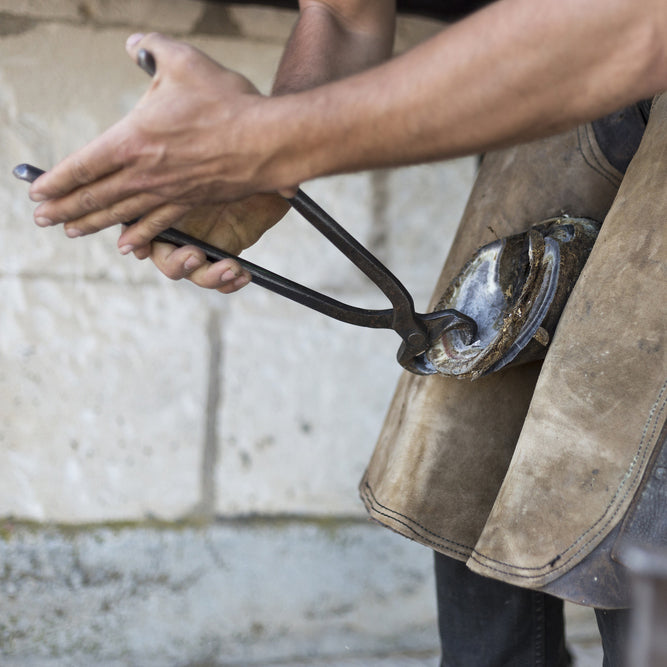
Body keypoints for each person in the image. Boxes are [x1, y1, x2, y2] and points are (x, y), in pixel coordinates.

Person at [24, 1, 667, 664]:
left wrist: (265, 140)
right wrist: (262, 157)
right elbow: (344, 14)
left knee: (641, 562)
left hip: (615, 45)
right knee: (463, 489)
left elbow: (639, 25)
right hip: (545, 94)